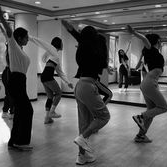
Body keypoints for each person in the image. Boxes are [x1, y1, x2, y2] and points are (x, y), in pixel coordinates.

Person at [62, 20, 110, 165]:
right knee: (104, 116)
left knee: (84, 123)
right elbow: (103, 62)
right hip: (89, 86)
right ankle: (83, 139)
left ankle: (81, 156)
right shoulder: (96, 48)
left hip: (80, 86)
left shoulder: (84, 48)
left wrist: (70, 28)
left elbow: (78, 36)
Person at [0, 5, 33, 151]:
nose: (28, 39)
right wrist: (1, 17)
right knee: (26, 111)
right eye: (26, 37)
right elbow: (9, 33)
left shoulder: (19, 50)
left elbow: (7, 34)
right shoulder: (14, 47)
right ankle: (19, 141)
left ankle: (14, 141)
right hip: (16, 80)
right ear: (20, 38)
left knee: (22, 111)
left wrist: (1, 25)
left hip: (20, 81)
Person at [127, 25, 167, 143]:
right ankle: (141, 117)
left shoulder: (152, 52)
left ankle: (140, 136)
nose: (161, 42)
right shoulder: (151, 49)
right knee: (163, 107)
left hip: (149, 83)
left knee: (151, 111)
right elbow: (145, 40)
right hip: (149, 83)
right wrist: (135, 32)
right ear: (156, 41)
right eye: (159, 40)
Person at [62, 20, 113, 106]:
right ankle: (97, 112)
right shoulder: (95, 49)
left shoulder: (85, 46)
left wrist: (68, 27)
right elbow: (102, 56)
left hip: (79, 84)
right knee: (108, 96)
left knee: (84, 115)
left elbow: (76, 34)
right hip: (91, 81)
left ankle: (94, 113)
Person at [29, 36, 73, 124]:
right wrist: (28, 37)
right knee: (59, 93)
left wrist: (68, 82)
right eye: (61, 43)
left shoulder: (55, 55)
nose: (62, 44)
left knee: (50, 97)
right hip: (48, 76)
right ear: (58, 44)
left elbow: (60, 72)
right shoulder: (52, 50)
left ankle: (47, 118)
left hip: (44, 76)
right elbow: (40, 42)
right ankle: (52, 112)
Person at [0, 22, 14, 119]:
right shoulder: (11, 47)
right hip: (8, 73)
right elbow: (7, 34)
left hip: (10, 72)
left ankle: (6, 111)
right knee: (10, 93)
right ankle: (10, 112)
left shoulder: (14, 48)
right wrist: (1, 26)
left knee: (9, 93)